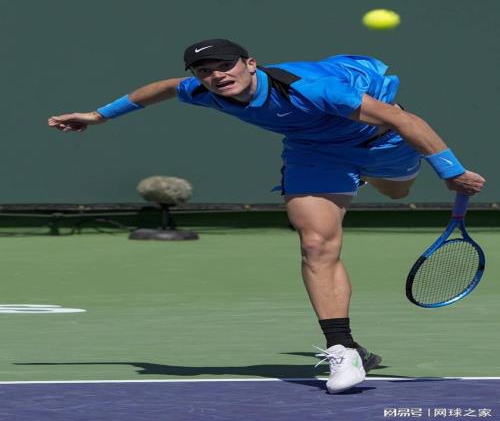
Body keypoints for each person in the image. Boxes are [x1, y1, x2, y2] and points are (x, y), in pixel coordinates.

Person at [48, 38, 485, 394]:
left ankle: (363, 178)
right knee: (315, 243)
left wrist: (451, 170)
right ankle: (343, 348)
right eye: (204, 70)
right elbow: (161, 88)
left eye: (225, 66)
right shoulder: (203, 91)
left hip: (381, 141)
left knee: (396, 191)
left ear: (250, 64)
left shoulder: (311, 89)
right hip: (313, 153)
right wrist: (97, 116)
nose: (217, 76)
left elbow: (406, 120)